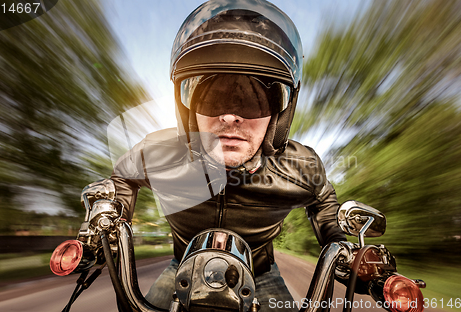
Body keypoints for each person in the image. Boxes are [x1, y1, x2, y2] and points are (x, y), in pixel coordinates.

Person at [93, 1, 346, 311]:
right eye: (215, 99)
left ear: (278, 117)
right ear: (189, 113)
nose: (229, 117)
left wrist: (345, 246)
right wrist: (109, 218)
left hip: (261, 274)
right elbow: (122, 176)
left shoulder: (303, 167)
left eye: (251, 102)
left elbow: (325, 205)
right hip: (182, 267)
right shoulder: (156, 152)